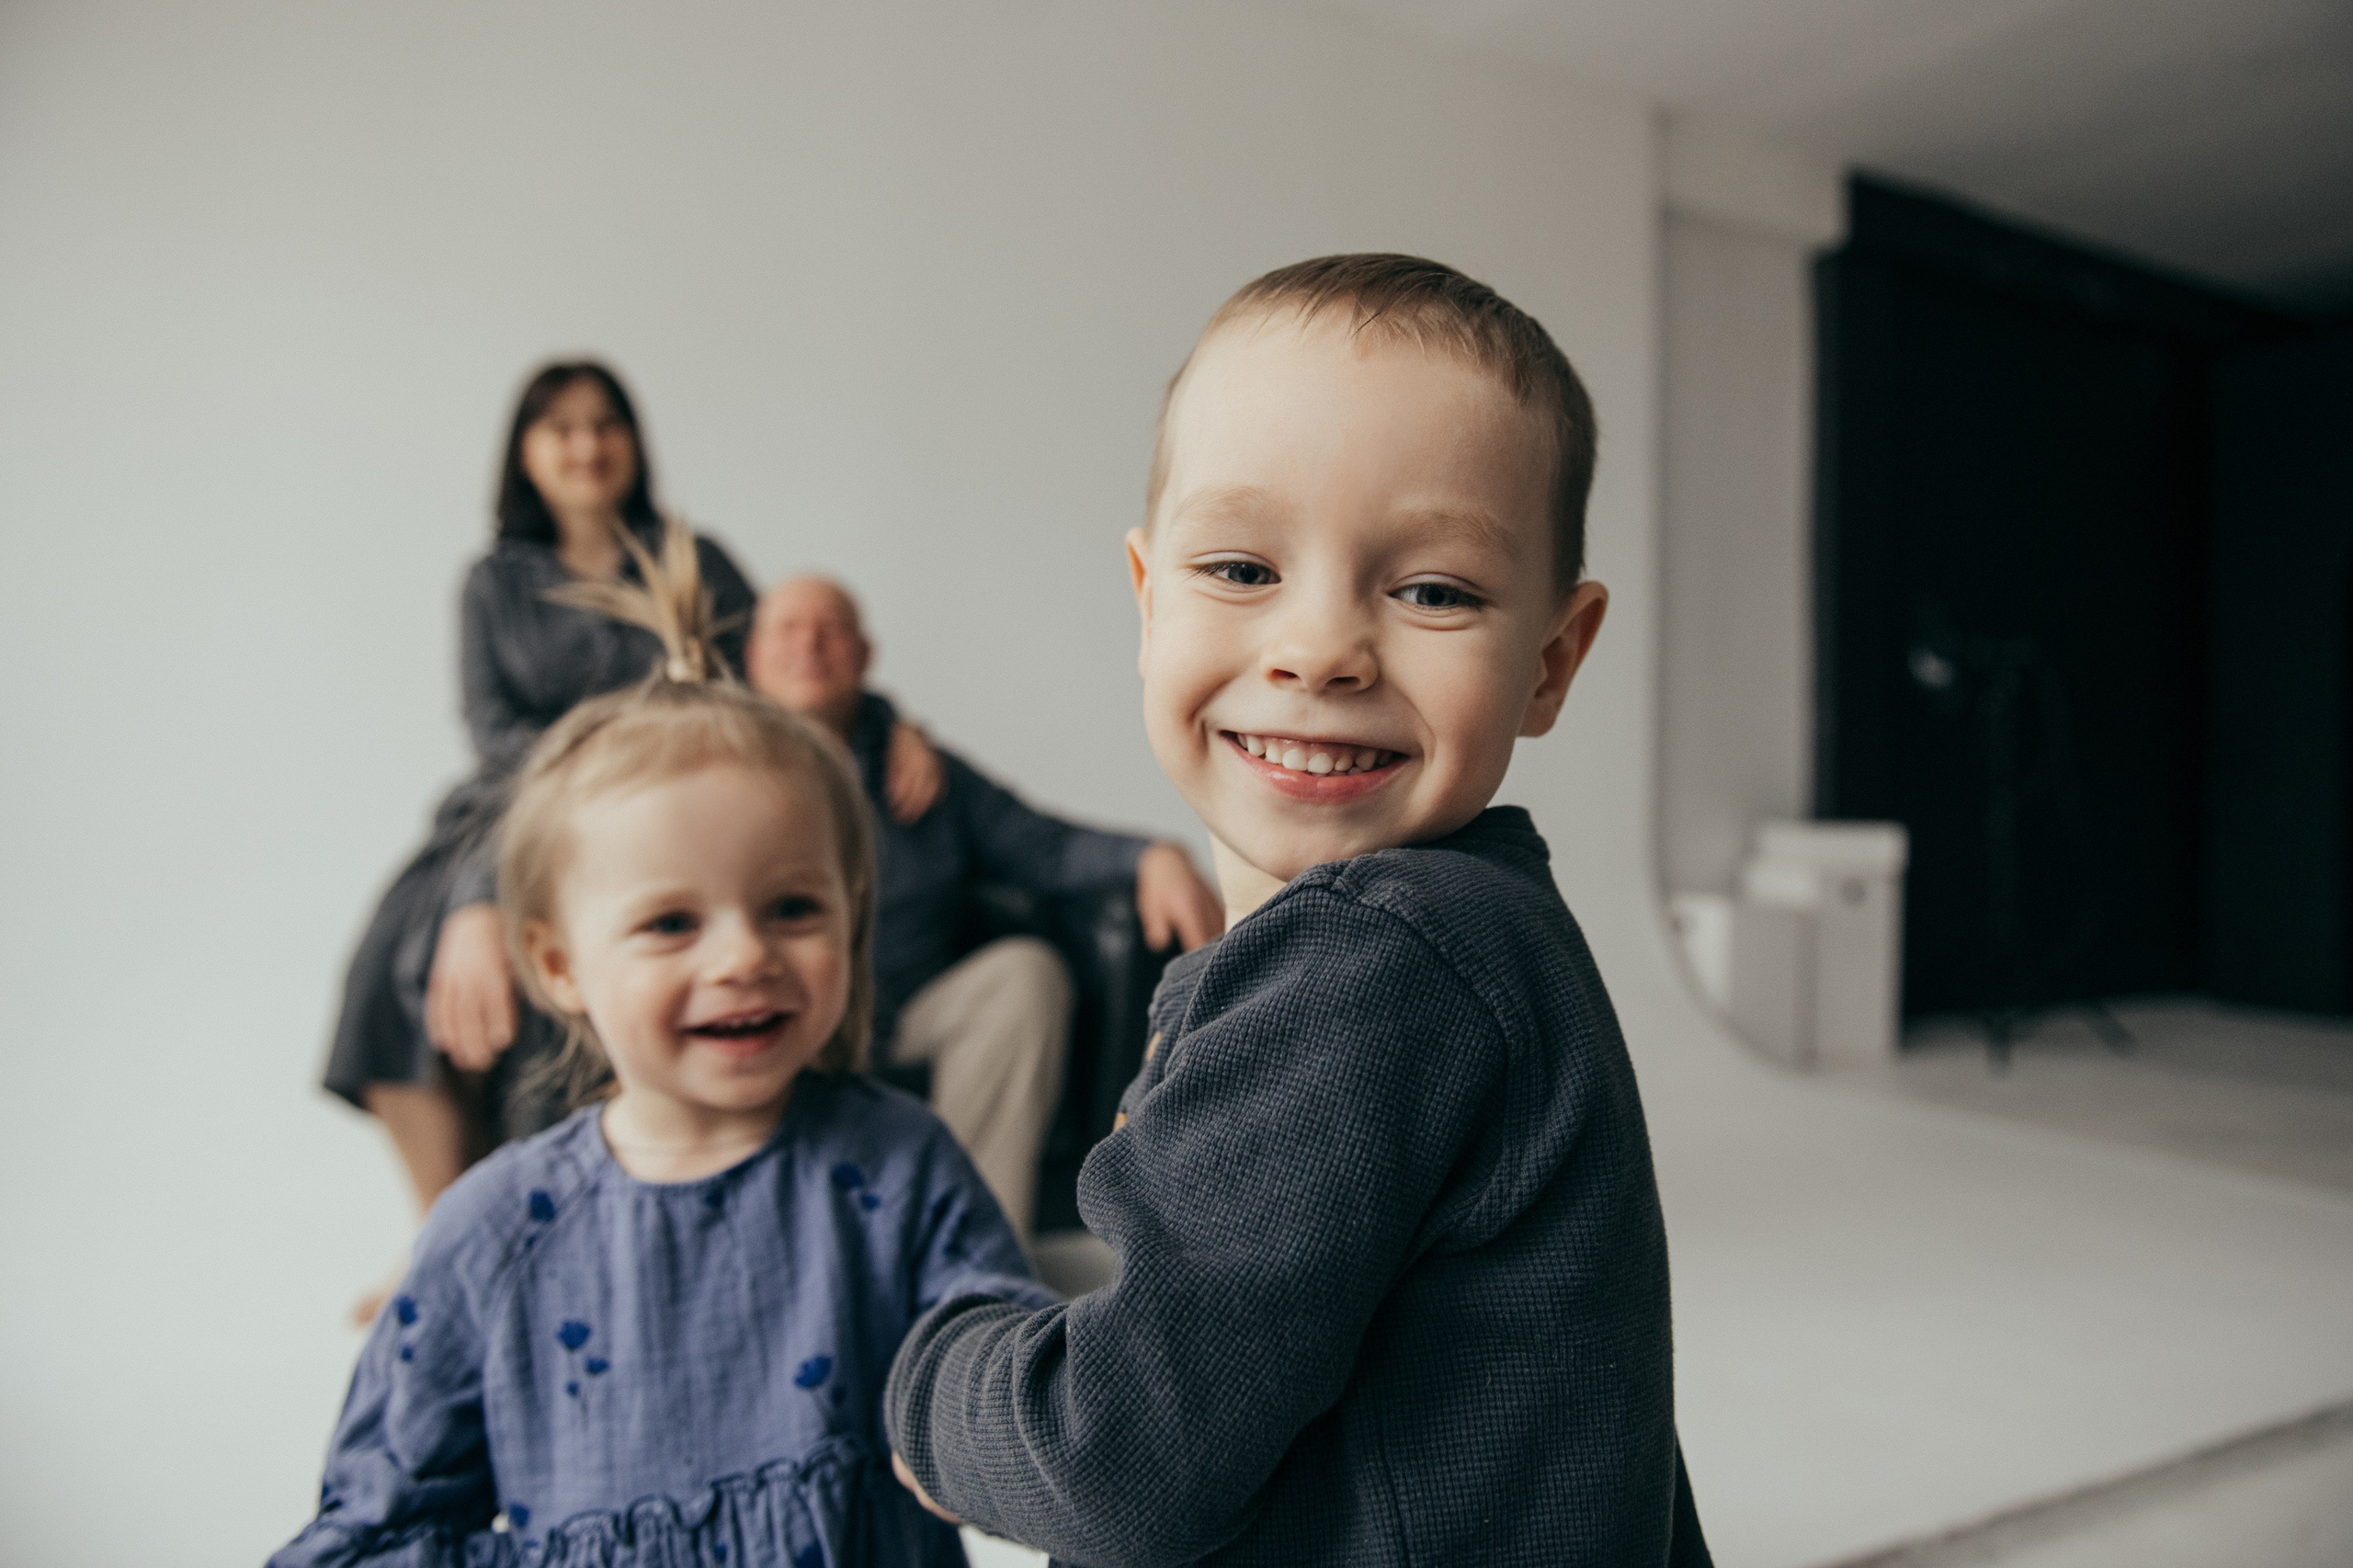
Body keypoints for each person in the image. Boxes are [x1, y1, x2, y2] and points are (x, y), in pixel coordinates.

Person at [884, 256, 1711, 1565]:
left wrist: (935, 1376)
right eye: (1241, 565)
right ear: (1149, 598)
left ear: (1552, 658)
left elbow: (1117, 1465)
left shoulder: (1378, 959)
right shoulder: (1488, 930)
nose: (1319, 648)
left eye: (1434, 589)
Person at [276, 524, 1050, 1568]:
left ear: (851, 915)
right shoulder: (491, 1232)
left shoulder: (898, 1165)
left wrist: (1009, 1426)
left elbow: (1006, 1368)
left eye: (790, 906)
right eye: (670, 923)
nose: (743, 957)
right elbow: (373, 1530)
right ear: (556, 965)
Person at [321, 361, 940, 1321]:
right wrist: (521, 853)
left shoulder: (694, 555)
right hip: (517, 800)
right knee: (395, 955)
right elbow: (489, 730)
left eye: (603, 424)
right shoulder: (493, 582)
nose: (584, 444)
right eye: (559, 428)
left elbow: (782, 664)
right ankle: (445, 1235)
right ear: (526, 452)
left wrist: (890, 718)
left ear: (633, 442)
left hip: (669, 803)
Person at [747, 576, 1222, 1242]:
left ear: (863, 655)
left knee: (1025, 974)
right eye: (788, 627)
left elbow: (1045, 845)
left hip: (902, 1009)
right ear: (749, 656)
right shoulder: (715, 773)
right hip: (782, 1012)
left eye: (831, 627)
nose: (810, 643)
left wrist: (1154, 855)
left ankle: (973, 1251)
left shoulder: (923, 775)